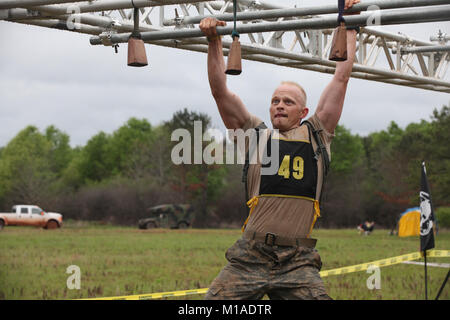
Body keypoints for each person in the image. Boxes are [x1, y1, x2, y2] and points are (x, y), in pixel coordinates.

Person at [200, 0, 360, 300]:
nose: (279, 106)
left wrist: (349, 25)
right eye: (275, 101)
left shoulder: (317, 133)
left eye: (288, 101)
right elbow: (220, 91)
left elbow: (341, 77)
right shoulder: (254, 135)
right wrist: (213, 42)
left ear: (304, 110)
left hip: (297, 260)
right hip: (251, 256)